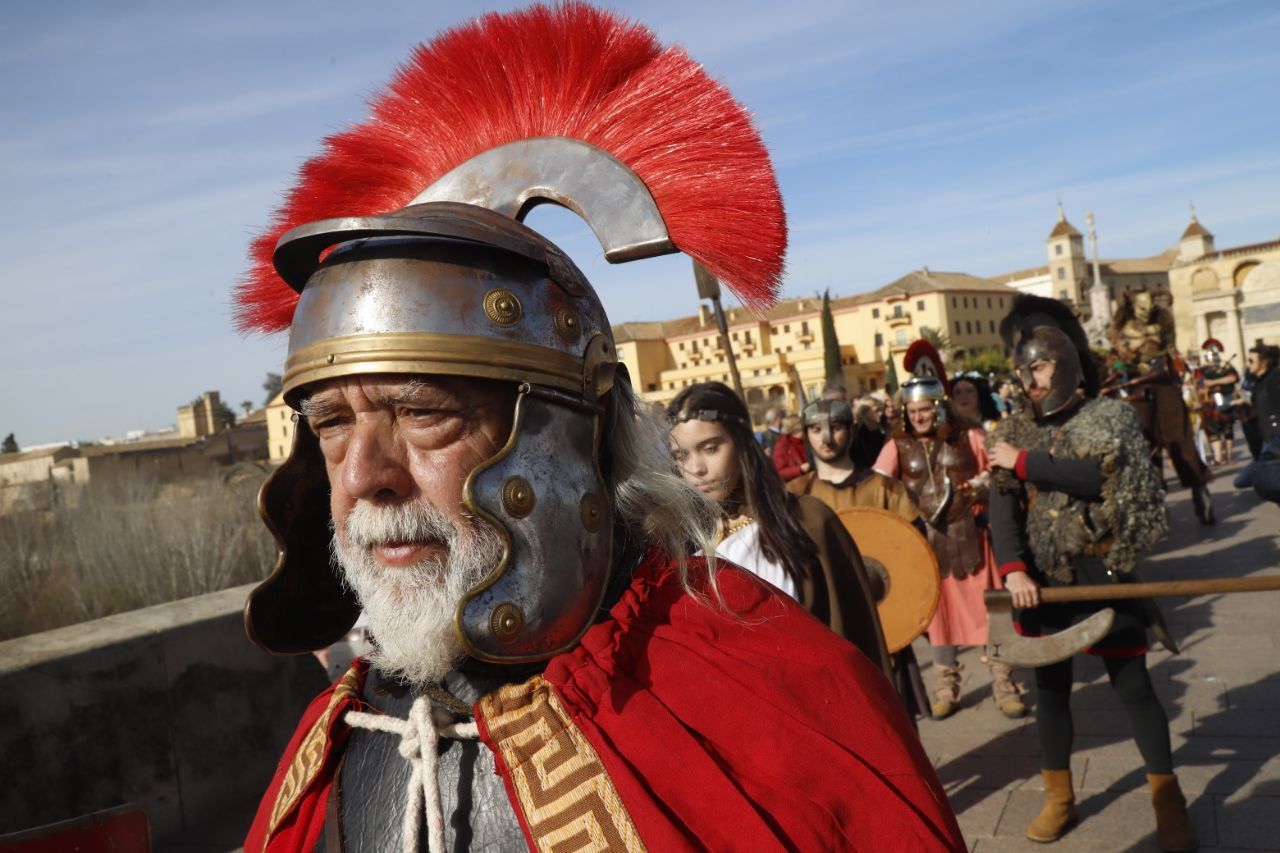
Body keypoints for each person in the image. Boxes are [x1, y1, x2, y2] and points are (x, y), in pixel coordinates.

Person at [235, 6, 964, 851]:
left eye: (423, 413)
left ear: (568, 430)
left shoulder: (765, 686)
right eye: (331, 423)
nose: (363, 475)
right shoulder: (339, 734)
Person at [988, 294, 1194, 850]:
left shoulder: (1110, 417)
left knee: (1134, 689)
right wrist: (1012, 572)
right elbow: (1002, 511)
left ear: (1066, 363)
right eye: (1023, 368)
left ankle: (1166, 799)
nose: (1029, 379)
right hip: (1043, 586)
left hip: (1103, 571)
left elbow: (1099, 478)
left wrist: (1024, 462)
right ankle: (1060, 798)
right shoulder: (1011, 431)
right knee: (1051, 695)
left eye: (1040, 366)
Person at [667, 383, 891, 679]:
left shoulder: (808, 521)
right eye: (681, 456)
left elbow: (857, 637)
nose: (696, 468)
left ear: (742, 443)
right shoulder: (684, 548)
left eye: (710, 448)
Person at [874, 342, 1026, 721]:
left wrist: (980, 485)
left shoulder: (968, 436)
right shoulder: (897, 444)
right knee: (939, 621)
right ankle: (947, 685)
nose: (920, 417)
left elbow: (997, 472)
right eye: (913, 411)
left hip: (972, 538)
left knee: (992, 614)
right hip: (927, 547)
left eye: (925, 409)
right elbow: (877, 485)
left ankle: (1004, 682)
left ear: (938, 407)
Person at [786, 397, 931, 717]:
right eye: (815, 429)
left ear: (851, 432)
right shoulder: (793, 496)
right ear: (805, 434)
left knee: (894, 718)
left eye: (836, 427)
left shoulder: (888, 490)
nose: (825, 438)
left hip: (882, 620)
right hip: (823, 624)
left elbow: (913, 561)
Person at [1108, 290, 1214, 524]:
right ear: (1133, 306)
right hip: (1138, 388)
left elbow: (1172, 351)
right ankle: (1154, 498)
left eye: (1149, 308)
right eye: (1140, 307)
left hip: (1165, 383)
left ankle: (1199, 488)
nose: (1146, 312)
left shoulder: (1162, 324)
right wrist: (1125, 364)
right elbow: (1115, 358)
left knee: (1180, 436)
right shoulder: (1121, 329)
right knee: (1144, 441)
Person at [1197, 339, 1240, 466]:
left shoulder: (1226, 366)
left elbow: (1233, 378)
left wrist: (1215, 382)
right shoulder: (1203, 370)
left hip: (1226, 399)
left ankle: (1229, 457)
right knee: (1213, 430)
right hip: (1210, 402)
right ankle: (1218, 458)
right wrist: (1205, 385)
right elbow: (1199, 383)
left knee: (1228, 430)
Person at [771, 413, 810, 482]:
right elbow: (779, 472)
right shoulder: (782, 445)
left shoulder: (808, 441)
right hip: (796, 486)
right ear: (795, 429)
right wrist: (800, 469)